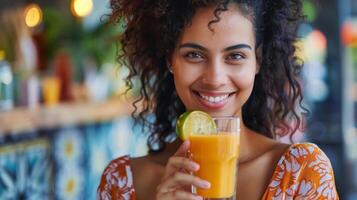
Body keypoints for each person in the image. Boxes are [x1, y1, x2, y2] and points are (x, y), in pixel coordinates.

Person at [98, 0, 339, 199]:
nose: (215, 78)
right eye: (194, 55)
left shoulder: (303, 173)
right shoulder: (120, 182)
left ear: (257, 60)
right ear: (170, 59)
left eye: (235, 56)